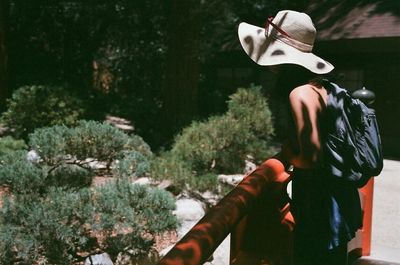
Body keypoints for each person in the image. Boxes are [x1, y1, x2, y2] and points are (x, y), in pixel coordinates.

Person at [238, 10, 362, 265]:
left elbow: (310, 156)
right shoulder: (320, 86)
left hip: (320, 205)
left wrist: (287, 153)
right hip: (336, 197)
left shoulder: (300, 94)